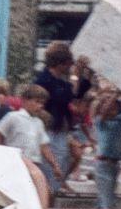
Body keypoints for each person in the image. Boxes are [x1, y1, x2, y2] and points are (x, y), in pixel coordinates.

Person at [34, 41, 88, 195]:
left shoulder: (58, 81)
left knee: (71, 157)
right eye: (68, 64)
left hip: (60, 131)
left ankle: (58, 186)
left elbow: (77, 93)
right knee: (50, 174)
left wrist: (83, 74)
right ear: (60, 64)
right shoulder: (44, 81)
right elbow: (67, 96)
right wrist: (75, 75)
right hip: (49, 131)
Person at [0, 85, 63, 199]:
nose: (40, 106)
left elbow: (44, 147)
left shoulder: (38, 123)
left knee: (38, 193)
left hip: (34, 163)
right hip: (16, 163)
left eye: (42, 103)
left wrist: (55, 165)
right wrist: (1, 155)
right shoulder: (13, 117)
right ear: (25, 100)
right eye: (37, 102)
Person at [92, 85, 121, 209]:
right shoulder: (100, 121)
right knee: (107, 201)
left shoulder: (119, 120)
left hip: (114, 163)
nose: (113, 109)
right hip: (104, 163)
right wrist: (115, 95)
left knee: (108, 197)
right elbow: (104, 111)